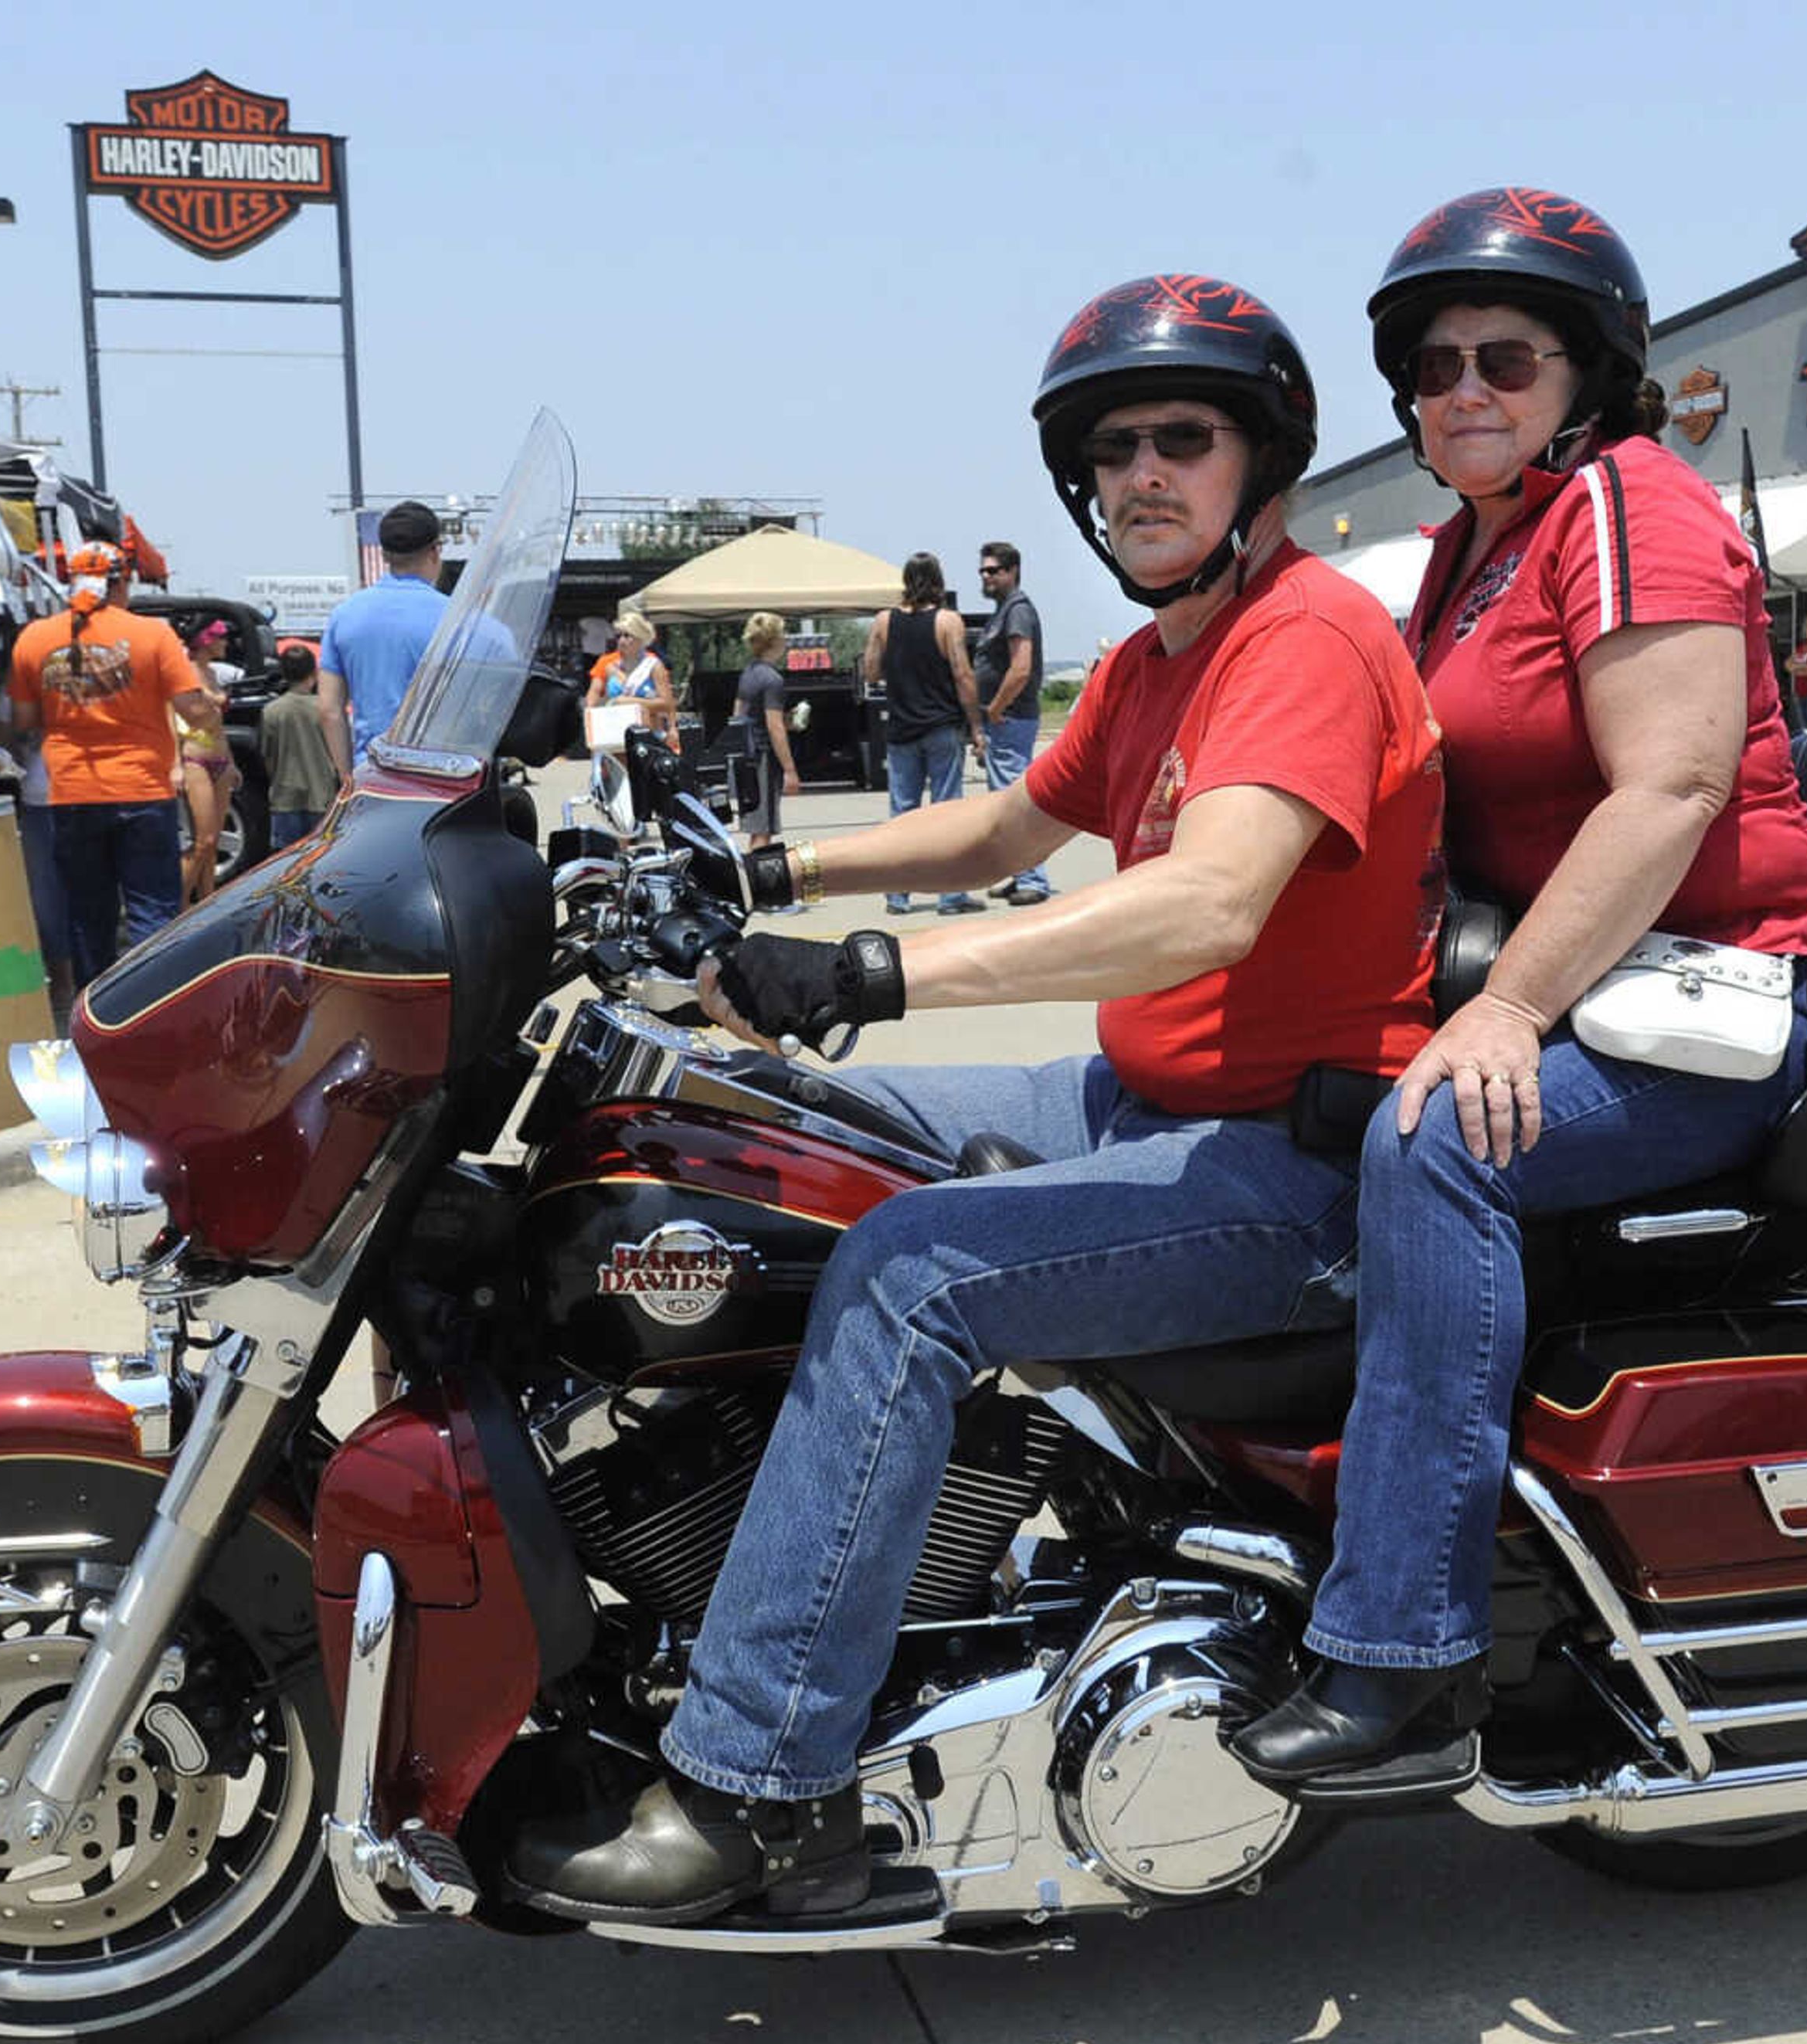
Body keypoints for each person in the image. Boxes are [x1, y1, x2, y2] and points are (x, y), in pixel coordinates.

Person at [506, 273, 1446, 1926]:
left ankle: (758, 1777)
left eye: (1181, 439)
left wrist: (869, 972)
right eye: (1113, 450)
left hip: (1294, 1166)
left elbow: (1209, 903)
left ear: (1262, 459)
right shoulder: (1171, 652)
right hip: (1139, 1092)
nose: (1141, 474)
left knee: (909, 1270)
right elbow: (1008, 830)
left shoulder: (1304, 635)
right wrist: (764, 864)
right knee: (763, 1127)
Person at [1228, 189, 1807, 1790]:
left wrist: (1501, 1017)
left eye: (1507, 355)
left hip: (1713, 994)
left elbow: (1672, 789)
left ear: (1591, 373)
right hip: (1575, 978)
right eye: (1433, 367)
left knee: (1437, 1141)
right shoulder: (1458, 557)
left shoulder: (1631, 507)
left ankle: (1405, 1653)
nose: (1464, 389)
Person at [0, 542, 218, 984]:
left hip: (71, 793)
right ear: (120, 583)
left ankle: (94, 1015)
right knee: (151, 910)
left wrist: (68, 705)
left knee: (87, 913)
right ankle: (148, 1008)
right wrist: (212, 710)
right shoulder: (152, 635)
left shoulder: (35, 638)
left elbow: (22, 721)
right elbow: (192, 710)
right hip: (141, 790)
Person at [862, 552, 988, 915]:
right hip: (942, 727)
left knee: (903, 813)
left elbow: (870, 672)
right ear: (938, 580)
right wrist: (976, 725)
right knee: (948, 812)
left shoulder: (884, 621)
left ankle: (897, 896)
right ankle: (950, 896)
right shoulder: (948, 621)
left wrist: (899, 668)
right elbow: (964, 676)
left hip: (902, 728)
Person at [319, 501, 450, 759]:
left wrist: (348, 778)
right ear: (435, 552)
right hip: (444, 779)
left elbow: (329, 711)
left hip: (373, 775)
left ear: (384, 555)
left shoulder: (344, 616)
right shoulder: (459, 618)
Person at [971, 540, 1052, 903]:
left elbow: (1020, 668)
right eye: (983, 571)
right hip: (1003, 719)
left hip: (1011, 718)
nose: (986, 576)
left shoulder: (1017, 610)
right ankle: (1020, 873)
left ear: (1012, 571)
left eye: (993, 570)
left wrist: (996, 708)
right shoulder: (1004, 610)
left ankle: (1034, 880)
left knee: (1016, 802)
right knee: (1004, 802)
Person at [178, 620, 243, 905]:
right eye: (221, 638)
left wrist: (231, 761)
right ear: (205, 640)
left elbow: (218, 725)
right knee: (203, 842)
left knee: (213, 842)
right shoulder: (185, 673)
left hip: (218, 756)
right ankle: (177, 908)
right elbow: (176, 719)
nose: (226, 643)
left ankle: (205, 904)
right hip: (195, 758)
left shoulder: (212, 674)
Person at [728, 610, 800, 852]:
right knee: (763, 829)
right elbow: (774, 726)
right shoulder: (773, 680)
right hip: (764, 758)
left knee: (756, 826)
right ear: (775, 641)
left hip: (747, 754)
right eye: (784, 635)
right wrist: (790, 770)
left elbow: (739, 714)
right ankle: (757, 884)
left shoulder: (749, 673)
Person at [260, 644, 338, 847]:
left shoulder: (271, 711)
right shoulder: (326, 709)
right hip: (323, 797)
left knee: (286, 864)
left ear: (284, 673)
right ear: (315, 672)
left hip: (285, 798)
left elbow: (268, 756)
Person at [589, 609, 677, 741]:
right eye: (618, 636)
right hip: (615, 735)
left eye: (627, 635)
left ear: (640, 638)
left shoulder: (653, 666)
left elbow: (667, 704)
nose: (621, 641)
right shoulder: (610, 667)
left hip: (648, 735)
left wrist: (629, 702)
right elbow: (598, 700)